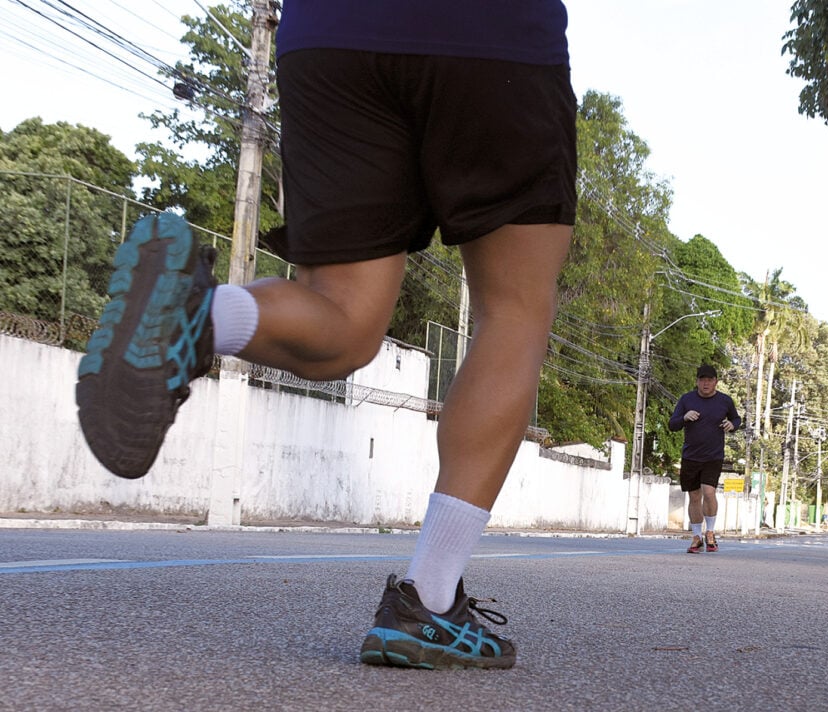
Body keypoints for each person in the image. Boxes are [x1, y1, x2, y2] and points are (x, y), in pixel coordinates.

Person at [75, 0, 576, 670]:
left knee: (341, 319)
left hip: (329, 33)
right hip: (494, 36)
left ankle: (201, 314)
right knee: (513, 311)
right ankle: (428, 600)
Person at [667, 365, 742, 553]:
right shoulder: (687, 399)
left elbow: (737, 419)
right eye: (702, 379)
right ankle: (696, 537)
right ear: (697, 381)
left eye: (709, 380)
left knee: (709, 493)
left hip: (713, 456)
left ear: (716, 381)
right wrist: (684, 417)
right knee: (694, 497)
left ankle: (710, 532)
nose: (705, 383)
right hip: (691, 456)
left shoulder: (725, 401)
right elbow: (672, 424)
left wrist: (732, 424)